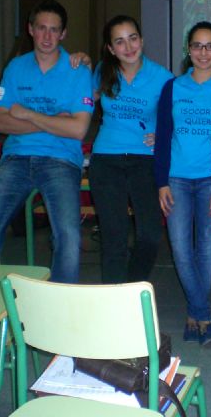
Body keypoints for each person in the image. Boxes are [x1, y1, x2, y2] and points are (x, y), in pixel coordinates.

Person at [0, 0, 93, 283]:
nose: (47, 36)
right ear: (30, 29)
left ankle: (59, 301)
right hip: (16, 159)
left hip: (61, 161)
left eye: (54, 30)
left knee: (68, 236)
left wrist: (27, 114)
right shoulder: (16, 67)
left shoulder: (78, 70)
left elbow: (78, 130)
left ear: (63, 33)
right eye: (41, 28)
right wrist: (55, 121)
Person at [154, 21, 211, 345]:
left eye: (210, 46)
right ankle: (202, 312)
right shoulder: (173, 88)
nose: (203, 52)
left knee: (205, 249)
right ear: (188, 49)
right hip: (176, 179)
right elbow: (163, 137)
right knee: (180, 248)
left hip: (210, 180)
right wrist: (161, 182)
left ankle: (196, 314)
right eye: (197, 46)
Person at [87, 15, 173, 283]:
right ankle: (115, 299)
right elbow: (81, 102)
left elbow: (180, 116)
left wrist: (164, 134)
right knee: (114, 238)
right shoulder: (102, 71)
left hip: (144, 161)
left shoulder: (162, 77)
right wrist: (79, 61)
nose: (128, 47)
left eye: (133, 38)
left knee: (150, 235)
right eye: (120, 41)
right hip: (106, 160)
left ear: (142, 40)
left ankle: (131, 287)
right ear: (111, 48)